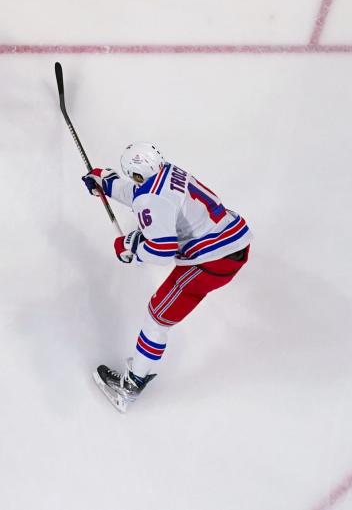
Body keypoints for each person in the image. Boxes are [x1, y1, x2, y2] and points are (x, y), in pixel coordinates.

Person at [82, 142, 252, 413]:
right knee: (159, 313)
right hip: (232, 242)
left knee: (156, 317)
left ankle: (131, 386)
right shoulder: (166, 172)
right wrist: (106, 182)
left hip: (211, 262)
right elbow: (143, 193)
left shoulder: (152, 198)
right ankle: (135, 377)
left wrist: (131, 250)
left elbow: (161, 251)